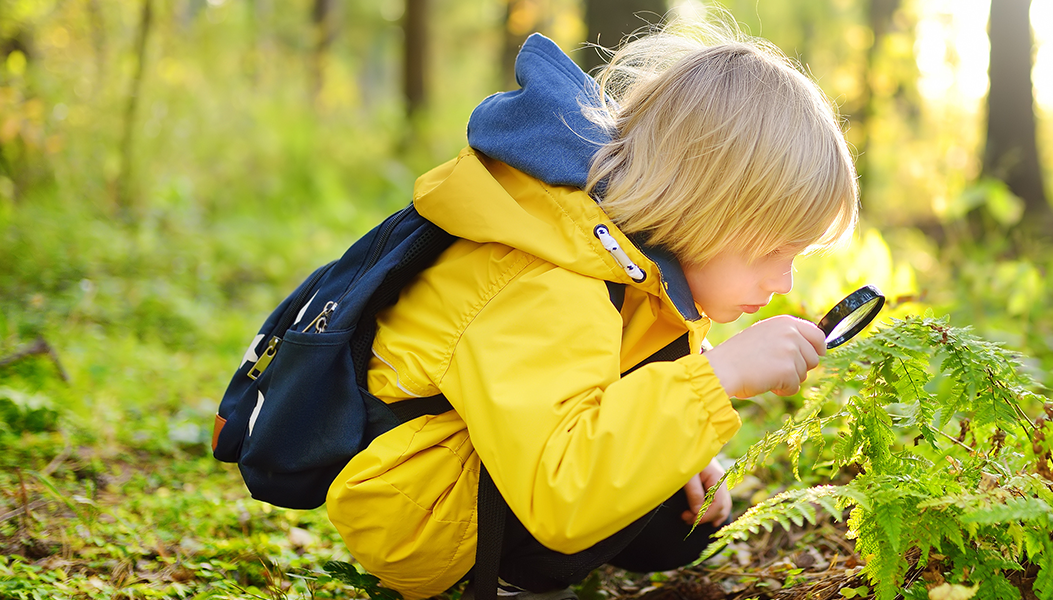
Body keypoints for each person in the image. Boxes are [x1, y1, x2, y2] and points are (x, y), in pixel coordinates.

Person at [324, 15, 858, 600]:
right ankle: (502, 581)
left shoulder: (632, 265)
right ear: (705, 208)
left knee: (675, 524)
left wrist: (678, 452)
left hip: (500, 466)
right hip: (419, 514)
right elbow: (564, 485)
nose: (782, 281)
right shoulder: (547, 277)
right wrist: (718, 377)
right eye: (772, 250)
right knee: (610, 501)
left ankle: (533, 559)